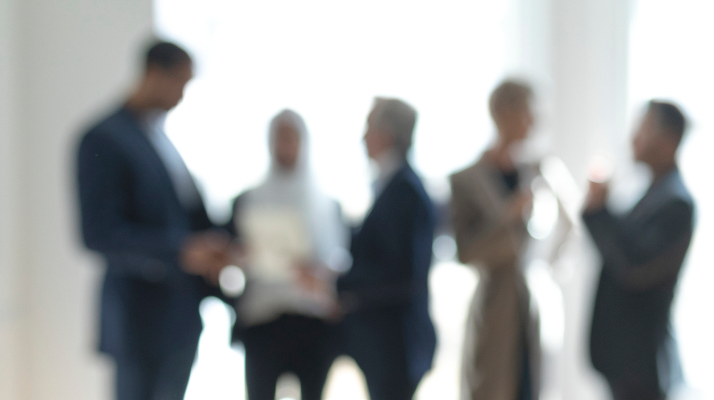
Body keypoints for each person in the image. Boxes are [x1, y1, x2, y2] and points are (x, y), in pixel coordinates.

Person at [75, 40, 231, 400]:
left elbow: (185, 214)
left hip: (180, 318)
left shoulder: (160, 137)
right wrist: (181, 251)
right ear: (152, 74)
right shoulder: (103, 138)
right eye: (180, 82)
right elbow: (98, 234)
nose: (182, 95)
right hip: (139, 323)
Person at [227, 110, 347, 400]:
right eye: (280, 137)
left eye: (291, 138)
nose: (285, 145)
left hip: (311, 321)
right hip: (263, 319)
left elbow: (339, 259)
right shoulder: (248, 200)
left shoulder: (327, 205)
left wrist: (320, 272)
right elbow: (230, 256)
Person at [583, 100, 695, 400]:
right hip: (625, 358)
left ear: (668, 142)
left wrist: (599, 211)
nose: (633, 139)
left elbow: (633, 265)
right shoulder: (654, 193)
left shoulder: (676, 203)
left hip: (640, 361)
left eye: (643, 130)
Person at [329, 97, 438, 399]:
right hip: (387, 343)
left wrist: (336, 282)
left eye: (369, 127)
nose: (363, 137)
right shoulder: (390, 186)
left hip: (397, 344)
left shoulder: (405, 191)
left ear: (388, 134)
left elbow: (401, 274)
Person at [450, 79, 541, 400]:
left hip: (528, 304)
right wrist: (507, 215)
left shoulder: (535, 172)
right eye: (529, 112)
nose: (535, 121)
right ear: (503, 113)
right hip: (494, 305)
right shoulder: (466, 180)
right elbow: (465, 251)